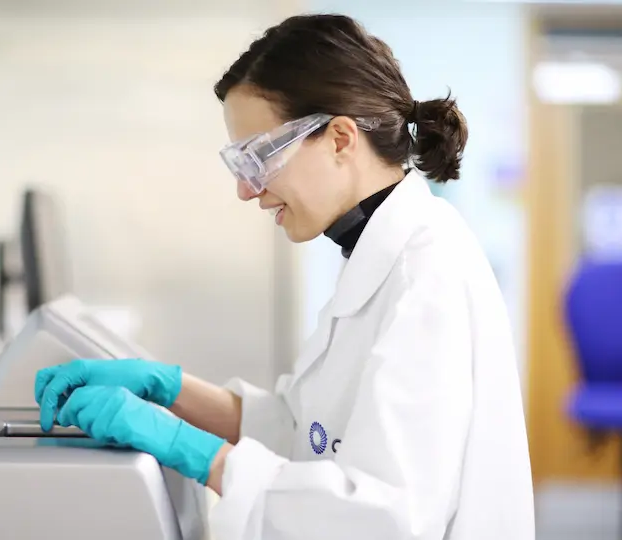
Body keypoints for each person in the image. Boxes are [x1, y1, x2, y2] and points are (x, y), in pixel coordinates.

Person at [34, 13, 534, 540]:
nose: (246, 190)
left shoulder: (426, 275)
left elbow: (383, 519)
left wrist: (191, 450)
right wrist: (168, 390)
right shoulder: (375, 254)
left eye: (259, 157)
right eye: (240, 165)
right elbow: (306, 430)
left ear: (340, 139)